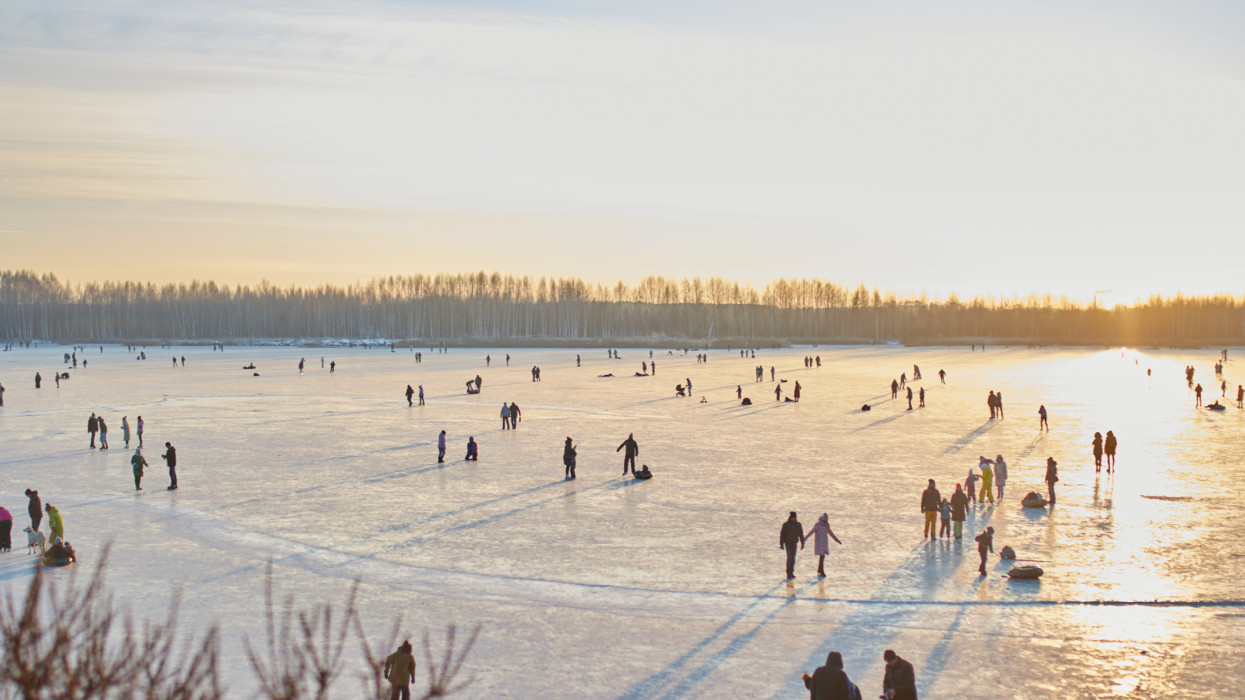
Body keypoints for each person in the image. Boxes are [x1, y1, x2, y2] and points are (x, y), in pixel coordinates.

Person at [780, 512, 804, 579]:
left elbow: (801, 534)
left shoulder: (798, 525)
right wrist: (781, 544)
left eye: (795, 518)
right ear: (790, 518)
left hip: (794, 543)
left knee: (793, 558)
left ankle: (791, 572)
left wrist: (802, 543)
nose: (794, 519)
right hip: (788, 543)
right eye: (793, 518)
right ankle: (788, 573)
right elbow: (782, 534)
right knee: (789, 557)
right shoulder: (786, 525)